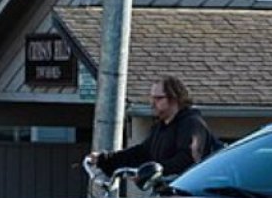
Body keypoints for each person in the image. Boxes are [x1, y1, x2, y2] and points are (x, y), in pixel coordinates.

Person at [91, 76, 221, 178]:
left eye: (159, 98)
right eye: (152, 98)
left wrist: (153, 171)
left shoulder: (192, 124)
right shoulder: (161, 127)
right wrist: (105, 159)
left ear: (175, 99)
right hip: (167, 194)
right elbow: (142, 152)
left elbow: (188, 159)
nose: (153, 104)